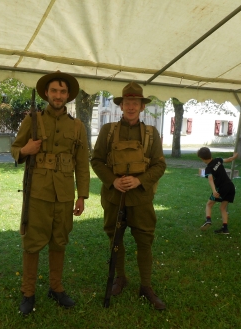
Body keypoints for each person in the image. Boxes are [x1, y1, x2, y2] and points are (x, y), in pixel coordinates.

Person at [11, 71, 90, 315]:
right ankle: (28, 292)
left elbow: (81, 163)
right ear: (46, 93)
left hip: (65, 195)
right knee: (32, 244)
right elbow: (15, 149)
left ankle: (56, 288)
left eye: (62, 92)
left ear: (68, 95)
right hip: (38, 193)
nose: (58, 95)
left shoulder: (77, 126)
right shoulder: (33, 120)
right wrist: (26, 149)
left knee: (59, 242)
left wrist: (82, 196)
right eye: (54, 91)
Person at [91, 82, 167, 310]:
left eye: (136, 103)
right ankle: (120, 278)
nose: (131, 106)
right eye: (127, 103)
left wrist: (139, 180)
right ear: (121, 105)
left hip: (141, 199)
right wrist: (113, 180)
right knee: (115, 239)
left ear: (142, 107)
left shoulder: (151, 134)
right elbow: (96, 160)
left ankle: (146, 286)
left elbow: (159, 165)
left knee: (144, 241)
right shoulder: (108, 131)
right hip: (114, 197)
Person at [197, 147, 238, 234]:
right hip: (230, 187)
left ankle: (208, 220)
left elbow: (210, 179)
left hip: (222, 188)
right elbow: (229, 159)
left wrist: (214, 191)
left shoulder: (208, 169)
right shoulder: (218, 160)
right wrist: (234, 156)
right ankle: (225, 229)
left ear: (201, 158)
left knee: (209, 205)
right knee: (223, 208)